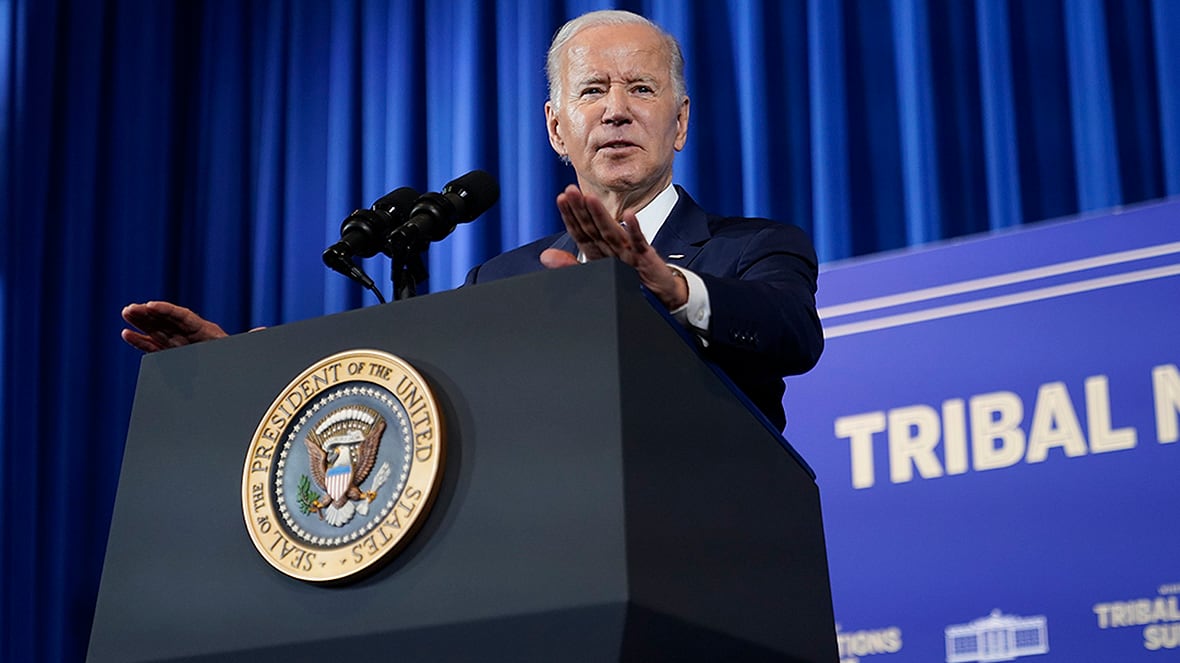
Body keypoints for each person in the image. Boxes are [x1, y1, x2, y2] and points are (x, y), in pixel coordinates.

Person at [122, 9, 823, 431]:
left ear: (680, 122)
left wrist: (669, 285)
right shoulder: (502, 277)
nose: (616, 109)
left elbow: (792, 333)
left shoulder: (756, 247)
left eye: (641, 88)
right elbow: (413, 396)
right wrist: (240, 369)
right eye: (592, 91)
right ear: (556, 127)